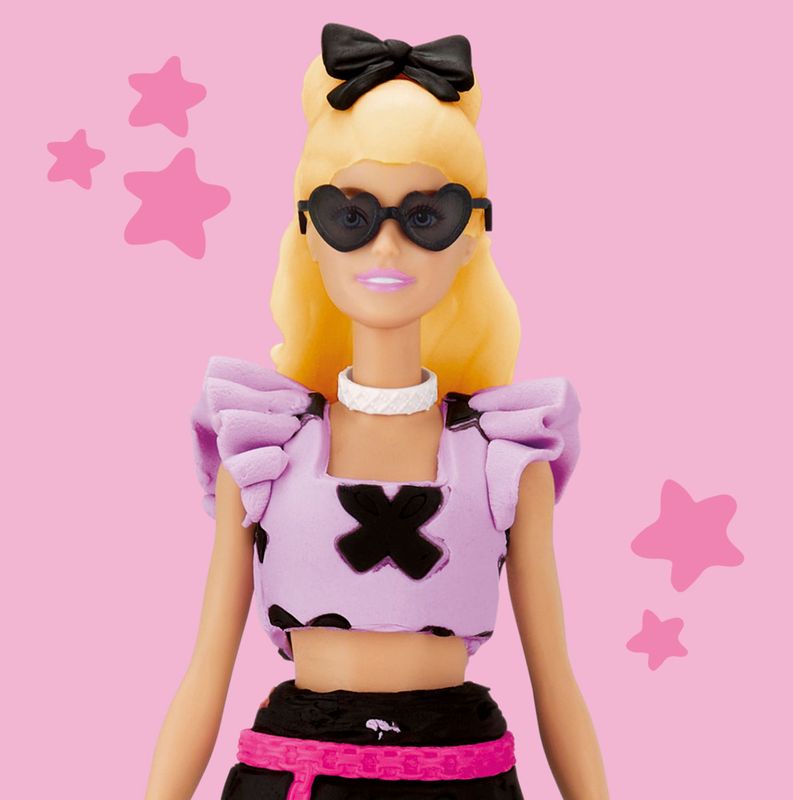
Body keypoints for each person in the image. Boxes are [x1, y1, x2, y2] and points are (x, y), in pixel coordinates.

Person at [144, 22, 609, 800]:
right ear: (309, 232)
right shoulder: (264, 455)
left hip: (462, 778)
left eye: (427, 216)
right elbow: (204, 674)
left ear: (472, 234)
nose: (386, 250)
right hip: (297, 776)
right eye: (350, 217)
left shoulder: (503, 462)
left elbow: (555, 678)